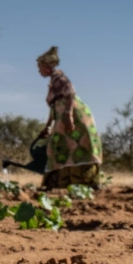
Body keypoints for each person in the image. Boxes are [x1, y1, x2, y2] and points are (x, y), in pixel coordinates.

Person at [35, 46, 103, 190]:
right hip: (63, 114)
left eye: (40, 67)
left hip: (74, 115)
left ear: (47, 67)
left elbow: (70, 93)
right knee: (58, 146)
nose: (39, 70)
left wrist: (68, 115)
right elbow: (54, 106)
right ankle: (58, 183)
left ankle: (86, 182)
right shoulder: (54, 80)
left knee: (76, 145)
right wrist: (48, 125)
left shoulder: (59, 77)